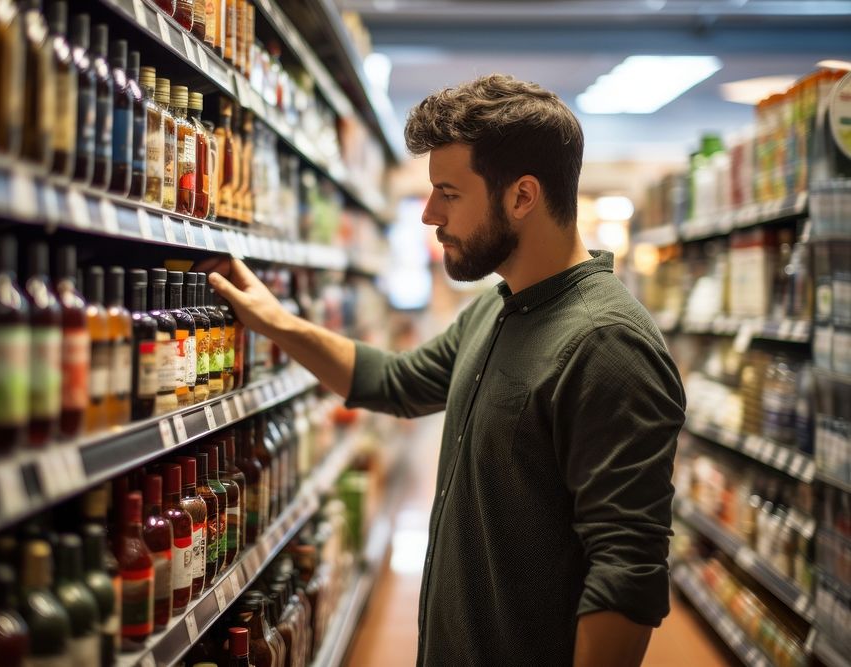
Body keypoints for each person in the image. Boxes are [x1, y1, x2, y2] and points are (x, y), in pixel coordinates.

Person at [203, 74, 685, 666]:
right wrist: (276, 322)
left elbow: (626, 573)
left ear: (522, 196)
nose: (429, 215)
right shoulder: (496, 306)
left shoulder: (607, 346)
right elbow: (395, 382)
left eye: (448, 194)